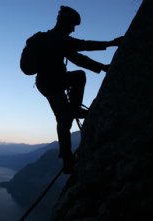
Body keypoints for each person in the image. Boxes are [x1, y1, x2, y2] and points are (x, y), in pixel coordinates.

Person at [34, 6, 122, 173]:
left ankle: (74, 112)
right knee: (64, 118)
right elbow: (83, 47)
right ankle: (67, 159)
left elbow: (77, 57)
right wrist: (110, 44)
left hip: (46, 83)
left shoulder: (50, 39)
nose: (73, 29)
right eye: (72, 25)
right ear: (65, 23)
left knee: (65, 112)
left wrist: (101, 66)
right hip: (54, 83)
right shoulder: (59, 39)